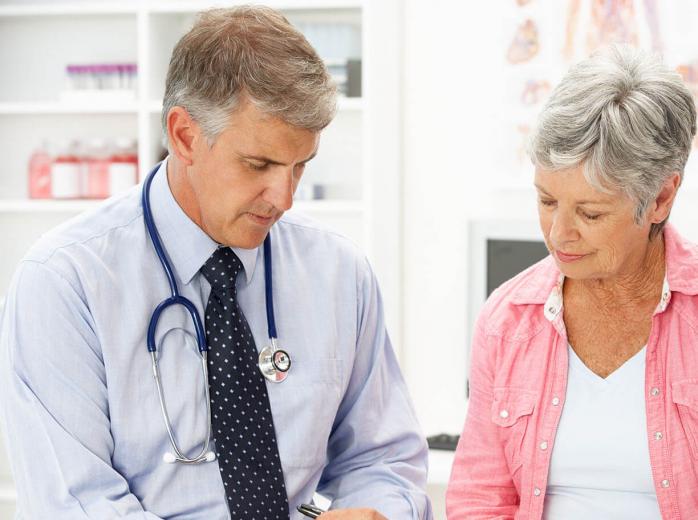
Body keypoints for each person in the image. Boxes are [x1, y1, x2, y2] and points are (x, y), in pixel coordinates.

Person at [0, 7, 432, 519]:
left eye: (300, 167)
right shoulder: (65, 282)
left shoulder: (338, 272)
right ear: (184, 136)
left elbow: (384, 458)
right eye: (259, 164)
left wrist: (377, 510)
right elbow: (76, 504)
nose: (284, 198)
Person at [447, 44, 698, 519]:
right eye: (546, 202)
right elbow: (480, 498)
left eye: (590, 212)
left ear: (661, 198)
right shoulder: (507, 320)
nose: (559, 234)